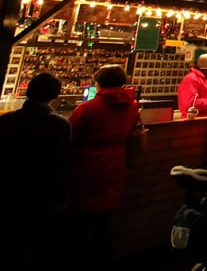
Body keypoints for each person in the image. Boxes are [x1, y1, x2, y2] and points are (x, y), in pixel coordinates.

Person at [68, 64, 141, 264]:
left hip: (86, 167)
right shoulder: (132, 105)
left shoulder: (88, 108)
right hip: (115, 164)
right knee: (104, 219)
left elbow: (70, 136)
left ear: (99, 83)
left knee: (82, 219)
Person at [0, 72, 72, 266]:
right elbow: (61, 162)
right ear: (55, 95)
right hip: (44, 194)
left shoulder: (6, 120)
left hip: (11, 192)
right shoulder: (59, 124)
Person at [177, 52, 207, 117]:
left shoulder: (204, 79)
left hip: (204, 119)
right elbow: (190, 103)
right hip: (194, 121)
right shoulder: (191, 79)